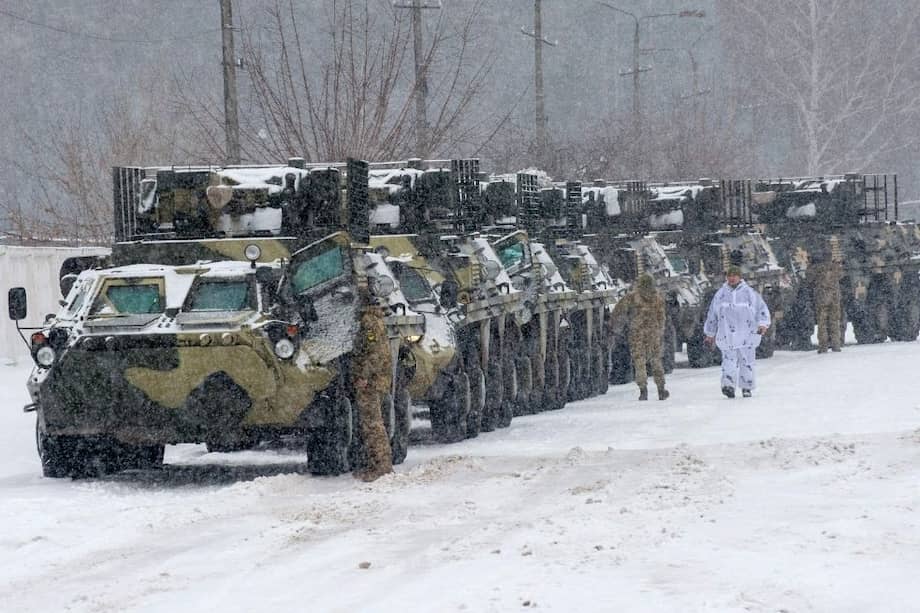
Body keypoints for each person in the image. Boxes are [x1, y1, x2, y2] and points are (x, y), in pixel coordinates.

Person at [703, 265, 771, 398]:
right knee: (728, 362)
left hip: (747, 334)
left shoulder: (750, 293)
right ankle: (728, 386)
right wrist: (710, 334)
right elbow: (712, 315)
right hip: (727, 335)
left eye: (734, 276)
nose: (732, 278)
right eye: (729, 276)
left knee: (747, 361)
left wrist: (763, 324)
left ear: (740, 277)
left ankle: (746, 387)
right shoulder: (720, 295)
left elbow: (761, 309)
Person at [350, 298, 394, 482]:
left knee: (372, 424)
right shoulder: (375, 319)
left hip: (371, 382)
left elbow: (375, 353)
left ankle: (381, 466)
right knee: (372, 423)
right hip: (376, 379)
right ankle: (376, 464)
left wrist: (364, 376)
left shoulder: (368, 321)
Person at [612, 274, 669, 401]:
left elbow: (618, 311)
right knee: (656, 360)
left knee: (639, 362)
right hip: (653, 333)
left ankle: (643, 390)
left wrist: (618, 327)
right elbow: (662, 317)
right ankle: (661, 389)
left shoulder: (632, 297)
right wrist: (660, 331)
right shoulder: (658, 298)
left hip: (637, 333)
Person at [806, 253, 843, 353]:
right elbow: (840, 275)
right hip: (835, 297)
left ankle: (823, 346)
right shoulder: (834, 266)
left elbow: (808, 279)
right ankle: (836, 345)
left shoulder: (815, 268)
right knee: (834, 321)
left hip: (822, 298)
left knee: (822, 323)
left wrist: (809, 265)